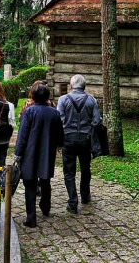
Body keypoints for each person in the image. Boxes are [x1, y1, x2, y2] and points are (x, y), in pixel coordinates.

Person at [14, 83, 64, 228]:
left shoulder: (29, 112)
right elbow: (60, 133)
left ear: (33, 96)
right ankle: (45, 207)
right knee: (45, 179)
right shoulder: (54, 113)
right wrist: (60, 144)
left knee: (29, 184)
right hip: (47, 151)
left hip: (30, 152)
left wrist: (18, 153)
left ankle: (31, 217)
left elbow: (22, 135)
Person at [57, 74, 101, 214]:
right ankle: (85, 196)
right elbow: (97, 121)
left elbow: (59, 119)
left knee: (69, 171)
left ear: (71, 86)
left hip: (68, 139)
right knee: (85, 168)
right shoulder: (91, 100)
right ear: (84, 86)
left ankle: (72, 202)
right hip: (85, 140)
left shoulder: (63, 99)